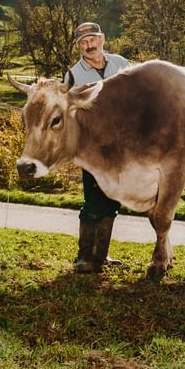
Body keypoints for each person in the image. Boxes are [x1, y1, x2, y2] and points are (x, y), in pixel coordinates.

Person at [65, 21, 130, 273]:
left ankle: (101, 257)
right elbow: (70, 115)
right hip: (91, 148)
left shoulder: (121, 64)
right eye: (83, 42)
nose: (89, 46)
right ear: (79, 46)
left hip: (121, 147)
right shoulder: (73, 75)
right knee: (93, 201)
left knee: (112, 201)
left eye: (92, 40)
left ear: (102, 39)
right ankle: (84, 258)